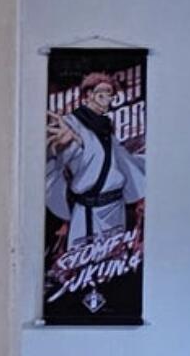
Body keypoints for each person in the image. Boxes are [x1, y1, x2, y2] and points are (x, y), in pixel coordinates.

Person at [45, 70, 144, 249]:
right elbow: (62, 156)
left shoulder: (105, 127)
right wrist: (62, 145)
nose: (107, 98)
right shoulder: (71, 123)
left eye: (110, 94)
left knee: (113, 261)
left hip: (115, 208)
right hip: (89, 211)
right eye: (102, 93)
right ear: (88, 95)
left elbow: (122, 160)